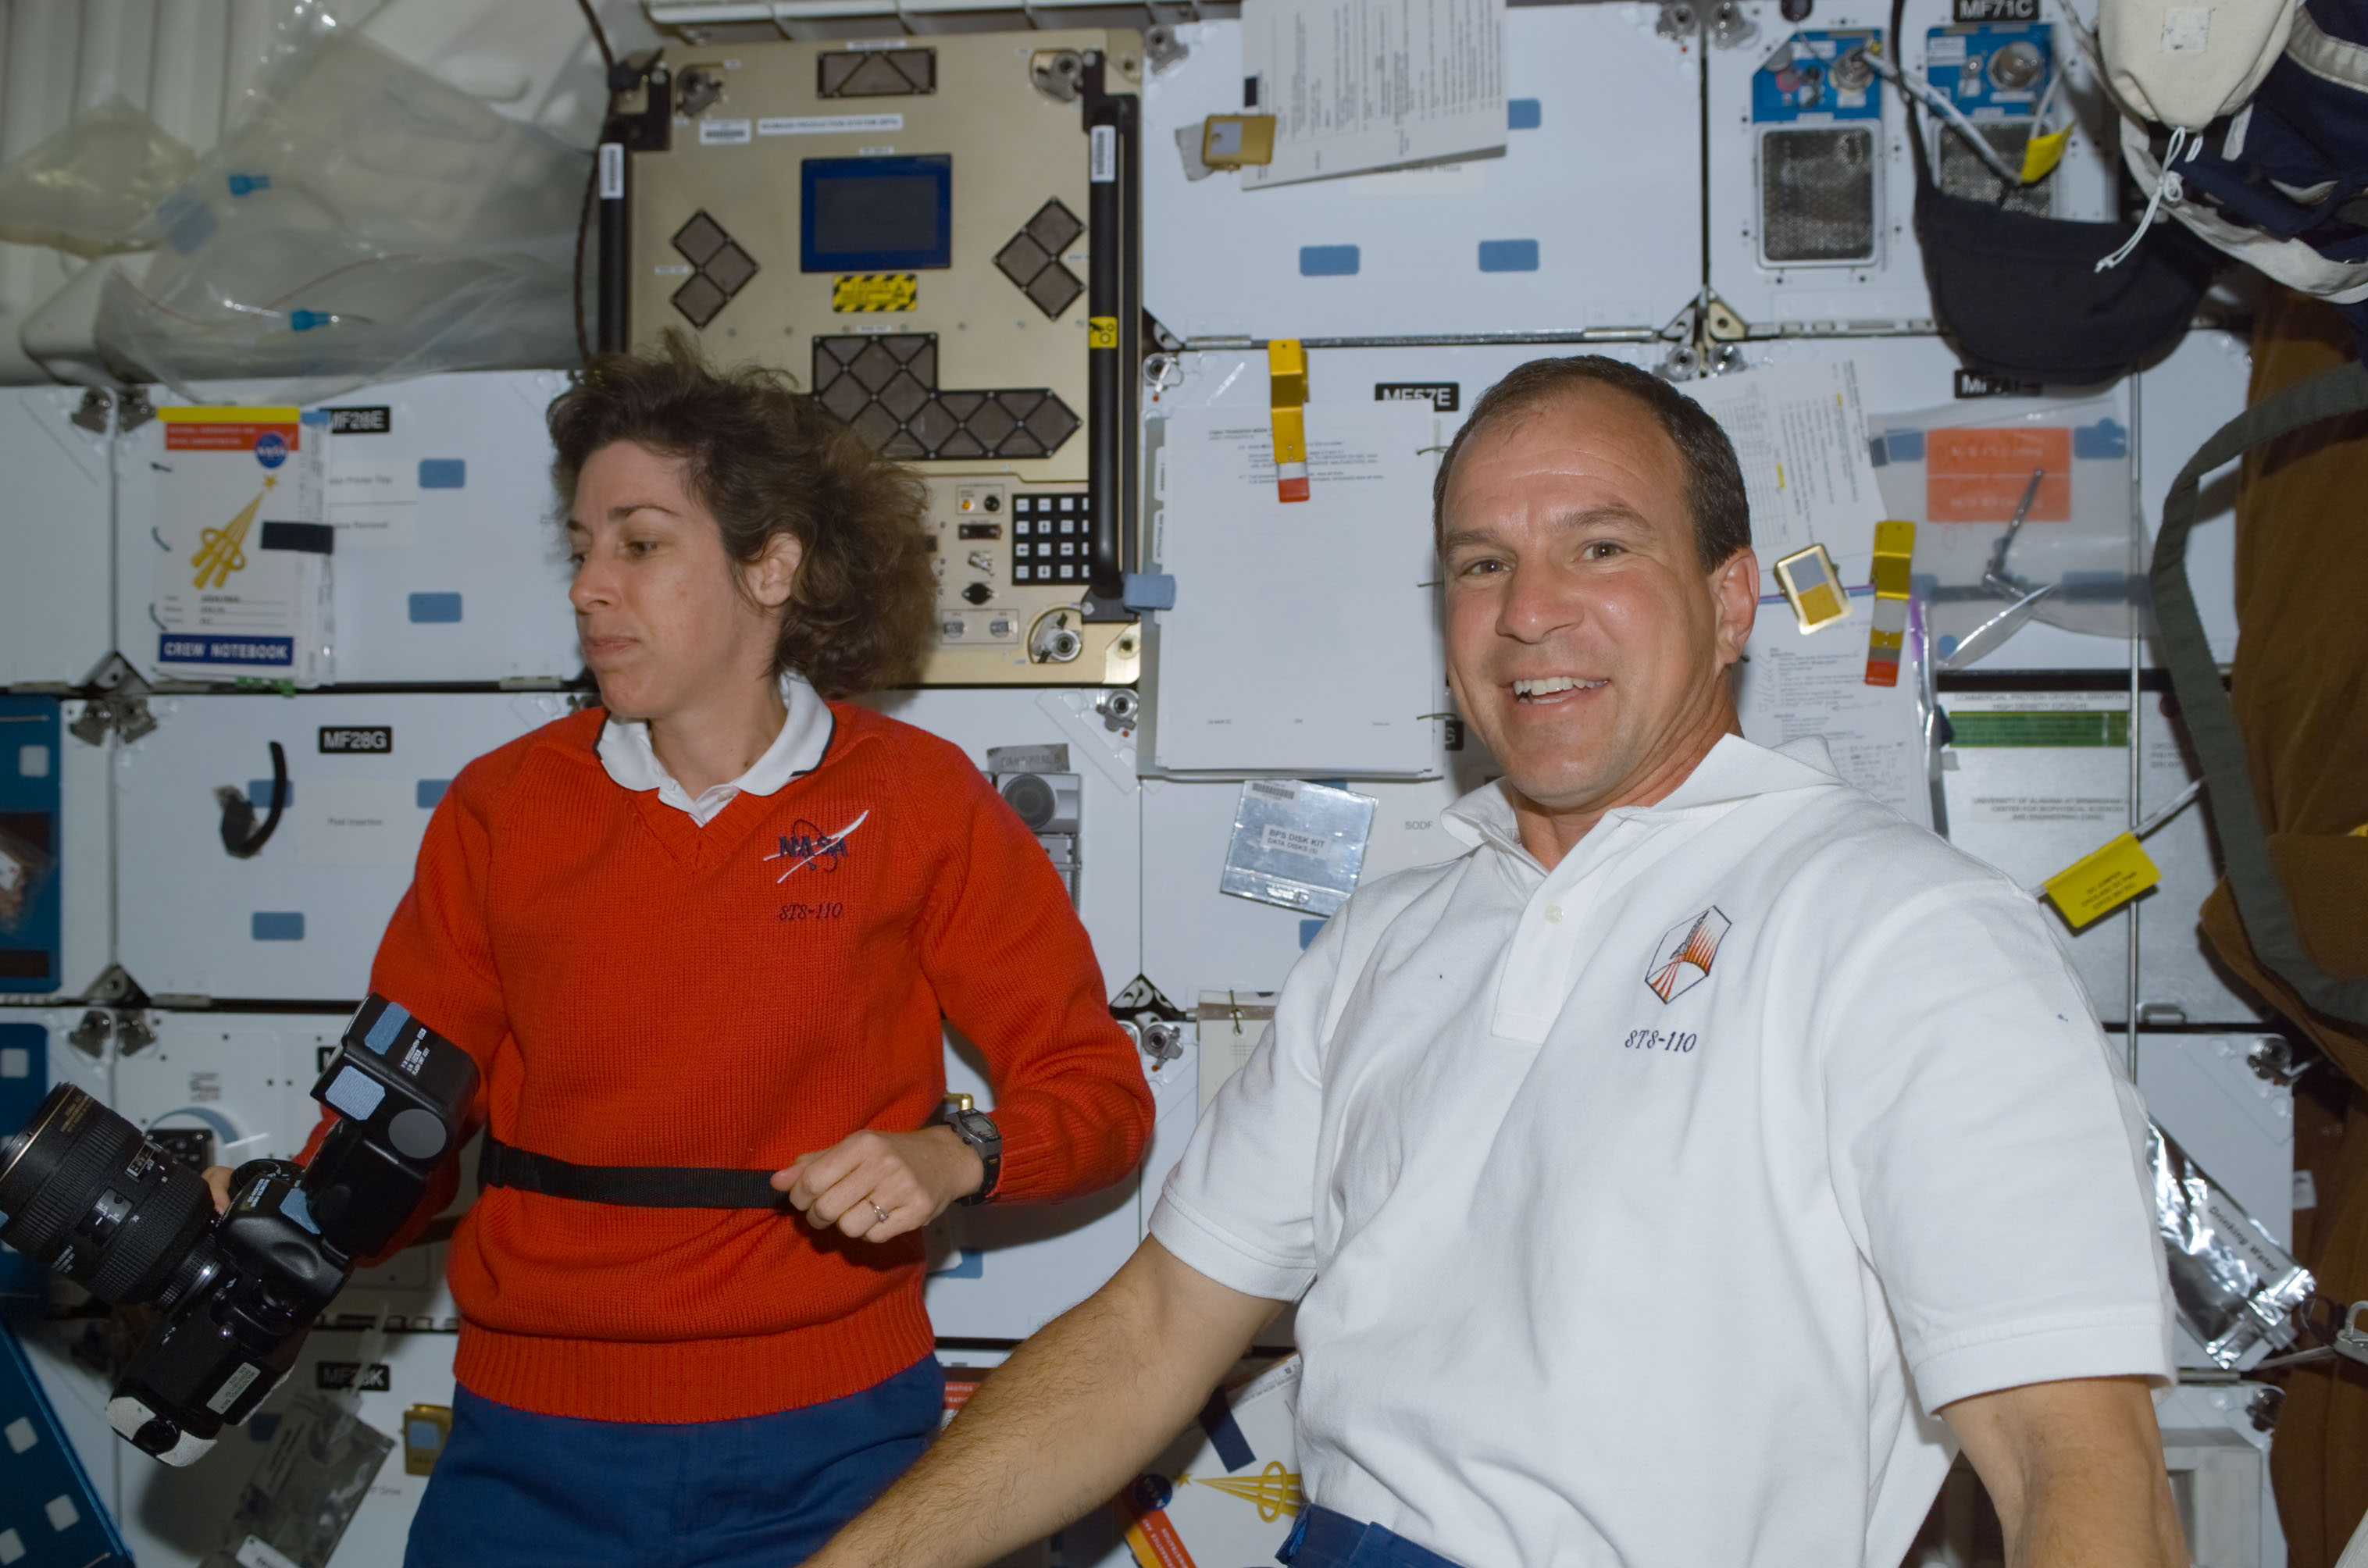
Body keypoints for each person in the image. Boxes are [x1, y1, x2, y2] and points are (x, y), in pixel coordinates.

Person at [800, 356, 2186, 1568]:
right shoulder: (1388, 942)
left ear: (1732, 599)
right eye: (1481, 562)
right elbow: (1158, 1325)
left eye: (1600, 549)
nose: (1529, 613)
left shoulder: (1903, 930)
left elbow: (2076, 1453)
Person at [207, 336, 1154, 1567]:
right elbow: (404, 1129)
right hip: (531, 1453)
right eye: (583, 549)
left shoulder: (916, 801)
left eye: (640, 545)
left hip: (834, 1455)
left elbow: (1100, 1099)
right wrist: (286, 1210)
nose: (589, 588)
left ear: (772, 567)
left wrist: (957, 1150)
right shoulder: (506, 810)